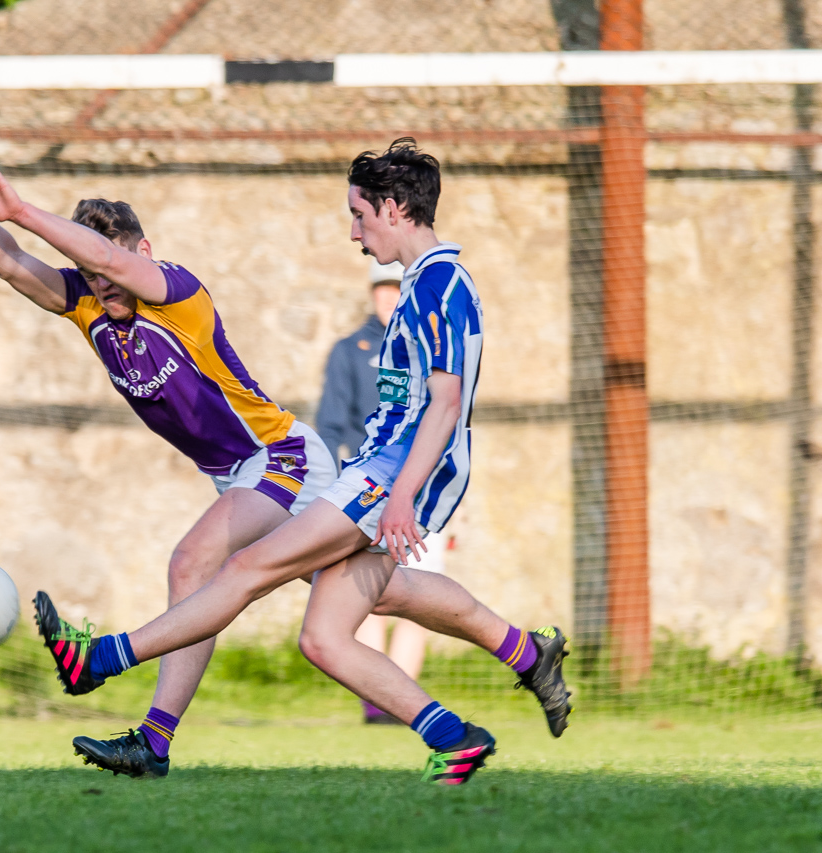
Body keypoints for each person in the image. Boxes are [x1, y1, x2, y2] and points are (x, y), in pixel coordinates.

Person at [35, 138, 572, 787]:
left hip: (385, 476)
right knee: (324, 635)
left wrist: (400, 494)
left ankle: (101, 658)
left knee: (245, 567)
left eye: (360, 214)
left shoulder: (440, 281)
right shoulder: (420, 282)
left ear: (395, 208)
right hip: (378, 469)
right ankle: (462, 726)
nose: (354, 231)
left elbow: (446, 401)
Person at [0, 134, 341, 779]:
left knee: (193, 563)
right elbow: (10, 264)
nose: (102, 284)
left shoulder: (179, 295)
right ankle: (522, 651)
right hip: (236, 474)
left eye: (110, 270)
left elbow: (104, 256)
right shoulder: (90, 306)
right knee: (377, 593)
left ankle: (143, 725)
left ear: (143, 253)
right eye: (91, 277)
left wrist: (19, 206)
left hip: (282, 455)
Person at [317, 259, 447, 725]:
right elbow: (330, 427)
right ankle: (378, 700)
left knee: (422, 590)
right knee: (368, 589)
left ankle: (402, 696)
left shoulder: (430, 354)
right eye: (383, 289)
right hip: (366, 491)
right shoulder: (350, 351)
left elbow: (447, 423)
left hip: (422, 491)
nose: (390, 297)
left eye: (398, 288)